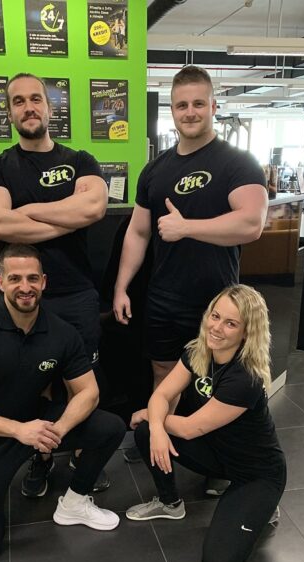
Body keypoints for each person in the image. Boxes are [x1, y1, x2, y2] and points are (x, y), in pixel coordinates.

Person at [113, 65, 268, 484]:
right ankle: (160, 441)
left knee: (215, 383)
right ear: (172, 110)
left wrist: (187, 228)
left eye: (199, 103)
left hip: (218, 304)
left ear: (214, 106)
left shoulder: (238, 163)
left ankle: (218, 463)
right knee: (165, 375)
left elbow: (252, 223)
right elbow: (138, 232)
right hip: (164, 298)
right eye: (182, 105)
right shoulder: (155, 170)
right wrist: (122, 286)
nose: (190, 112)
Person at [0, 244, 125, 560]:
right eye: (15, 279)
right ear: (1, 283)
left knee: (110, 427)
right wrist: (18, 430)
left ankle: (75, 502)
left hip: (36, 424)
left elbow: (88, 392)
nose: (25, 287)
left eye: (32, 278)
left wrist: (58, 430)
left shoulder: (61, 332)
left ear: (44, 282)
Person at [0, 72, 110, 493]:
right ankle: (42, 455)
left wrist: (27, 211)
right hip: (25, 296)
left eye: (36, 99)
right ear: (9, 112)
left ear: (50, 108)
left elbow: (94, 208)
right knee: (34, 383)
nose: (28, 107)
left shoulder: (81, 160)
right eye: (18, 101)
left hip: (76, 293)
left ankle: (86, 455)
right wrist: (66, 217)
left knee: (82, 381)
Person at [126, 284, 286, 562]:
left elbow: (189, 429)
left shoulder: (245, 378)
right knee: (148, 432)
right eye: (215, 316)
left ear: (247, 332)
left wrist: (153, 416)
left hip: (256, 472)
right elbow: (161, 395)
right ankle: (169, 504)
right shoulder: (197, 351)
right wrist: (156, 425)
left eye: (231, 323)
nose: (217, 328)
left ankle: (263, 504)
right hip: (216, 453)